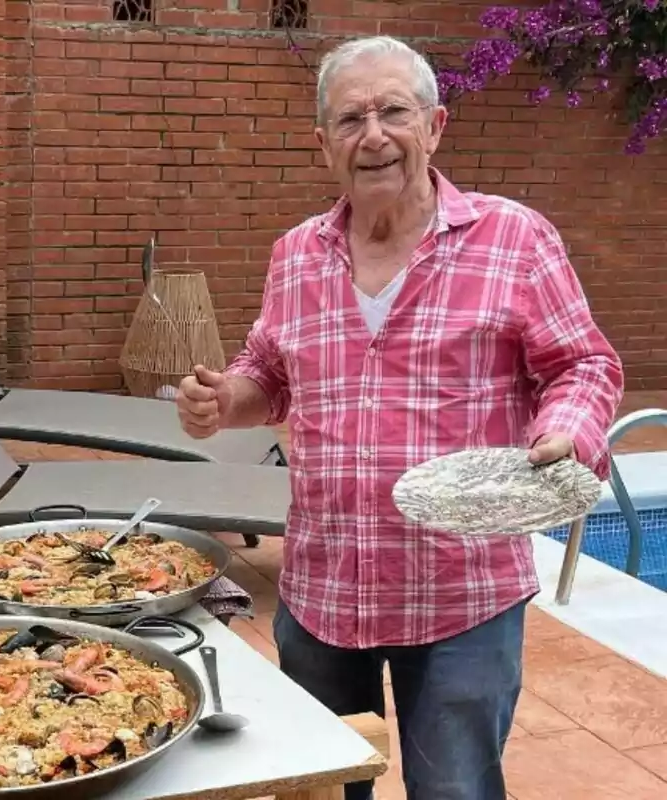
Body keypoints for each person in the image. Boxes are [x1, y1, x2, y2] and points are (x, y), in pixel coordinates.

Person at [174, 35, 624, 800]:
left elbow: (584, 364)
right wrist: (226, 401)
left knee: (455, 790)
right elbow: (270, 372)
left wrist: (568, 432)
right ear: (324, 145)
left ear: (436, 126)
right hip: (324, 590)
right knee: (319, 785)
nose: (373, 135)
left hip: (462, 595)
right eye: (350, 119)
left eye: (393, 111)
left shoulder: (514, 239)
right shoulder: (295, 255)